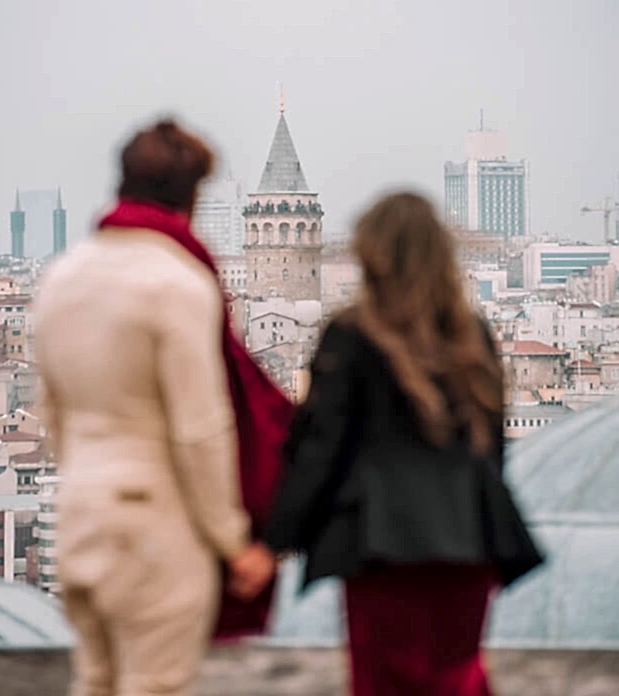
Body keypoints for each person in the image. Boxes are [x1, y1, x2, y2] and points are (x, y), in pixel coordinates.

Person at [35, 120, 279, 696]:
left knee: (94, 683)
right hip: (154, 528)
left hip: (79, 516)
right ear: (192, 195)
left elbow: (53, 412)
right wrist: (232, 539)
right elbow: (201, 429)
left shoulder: (60, 279)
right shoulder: (177, 283)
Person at [265, 192, 543, 696]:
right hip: (466, 541)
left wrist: (273, 541)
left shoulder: (351, 336)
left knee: (386, 679)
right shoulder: (469, 334)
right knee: (455, 676)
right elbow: (492, 450)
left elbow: (320, 450)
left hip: (382, 544)